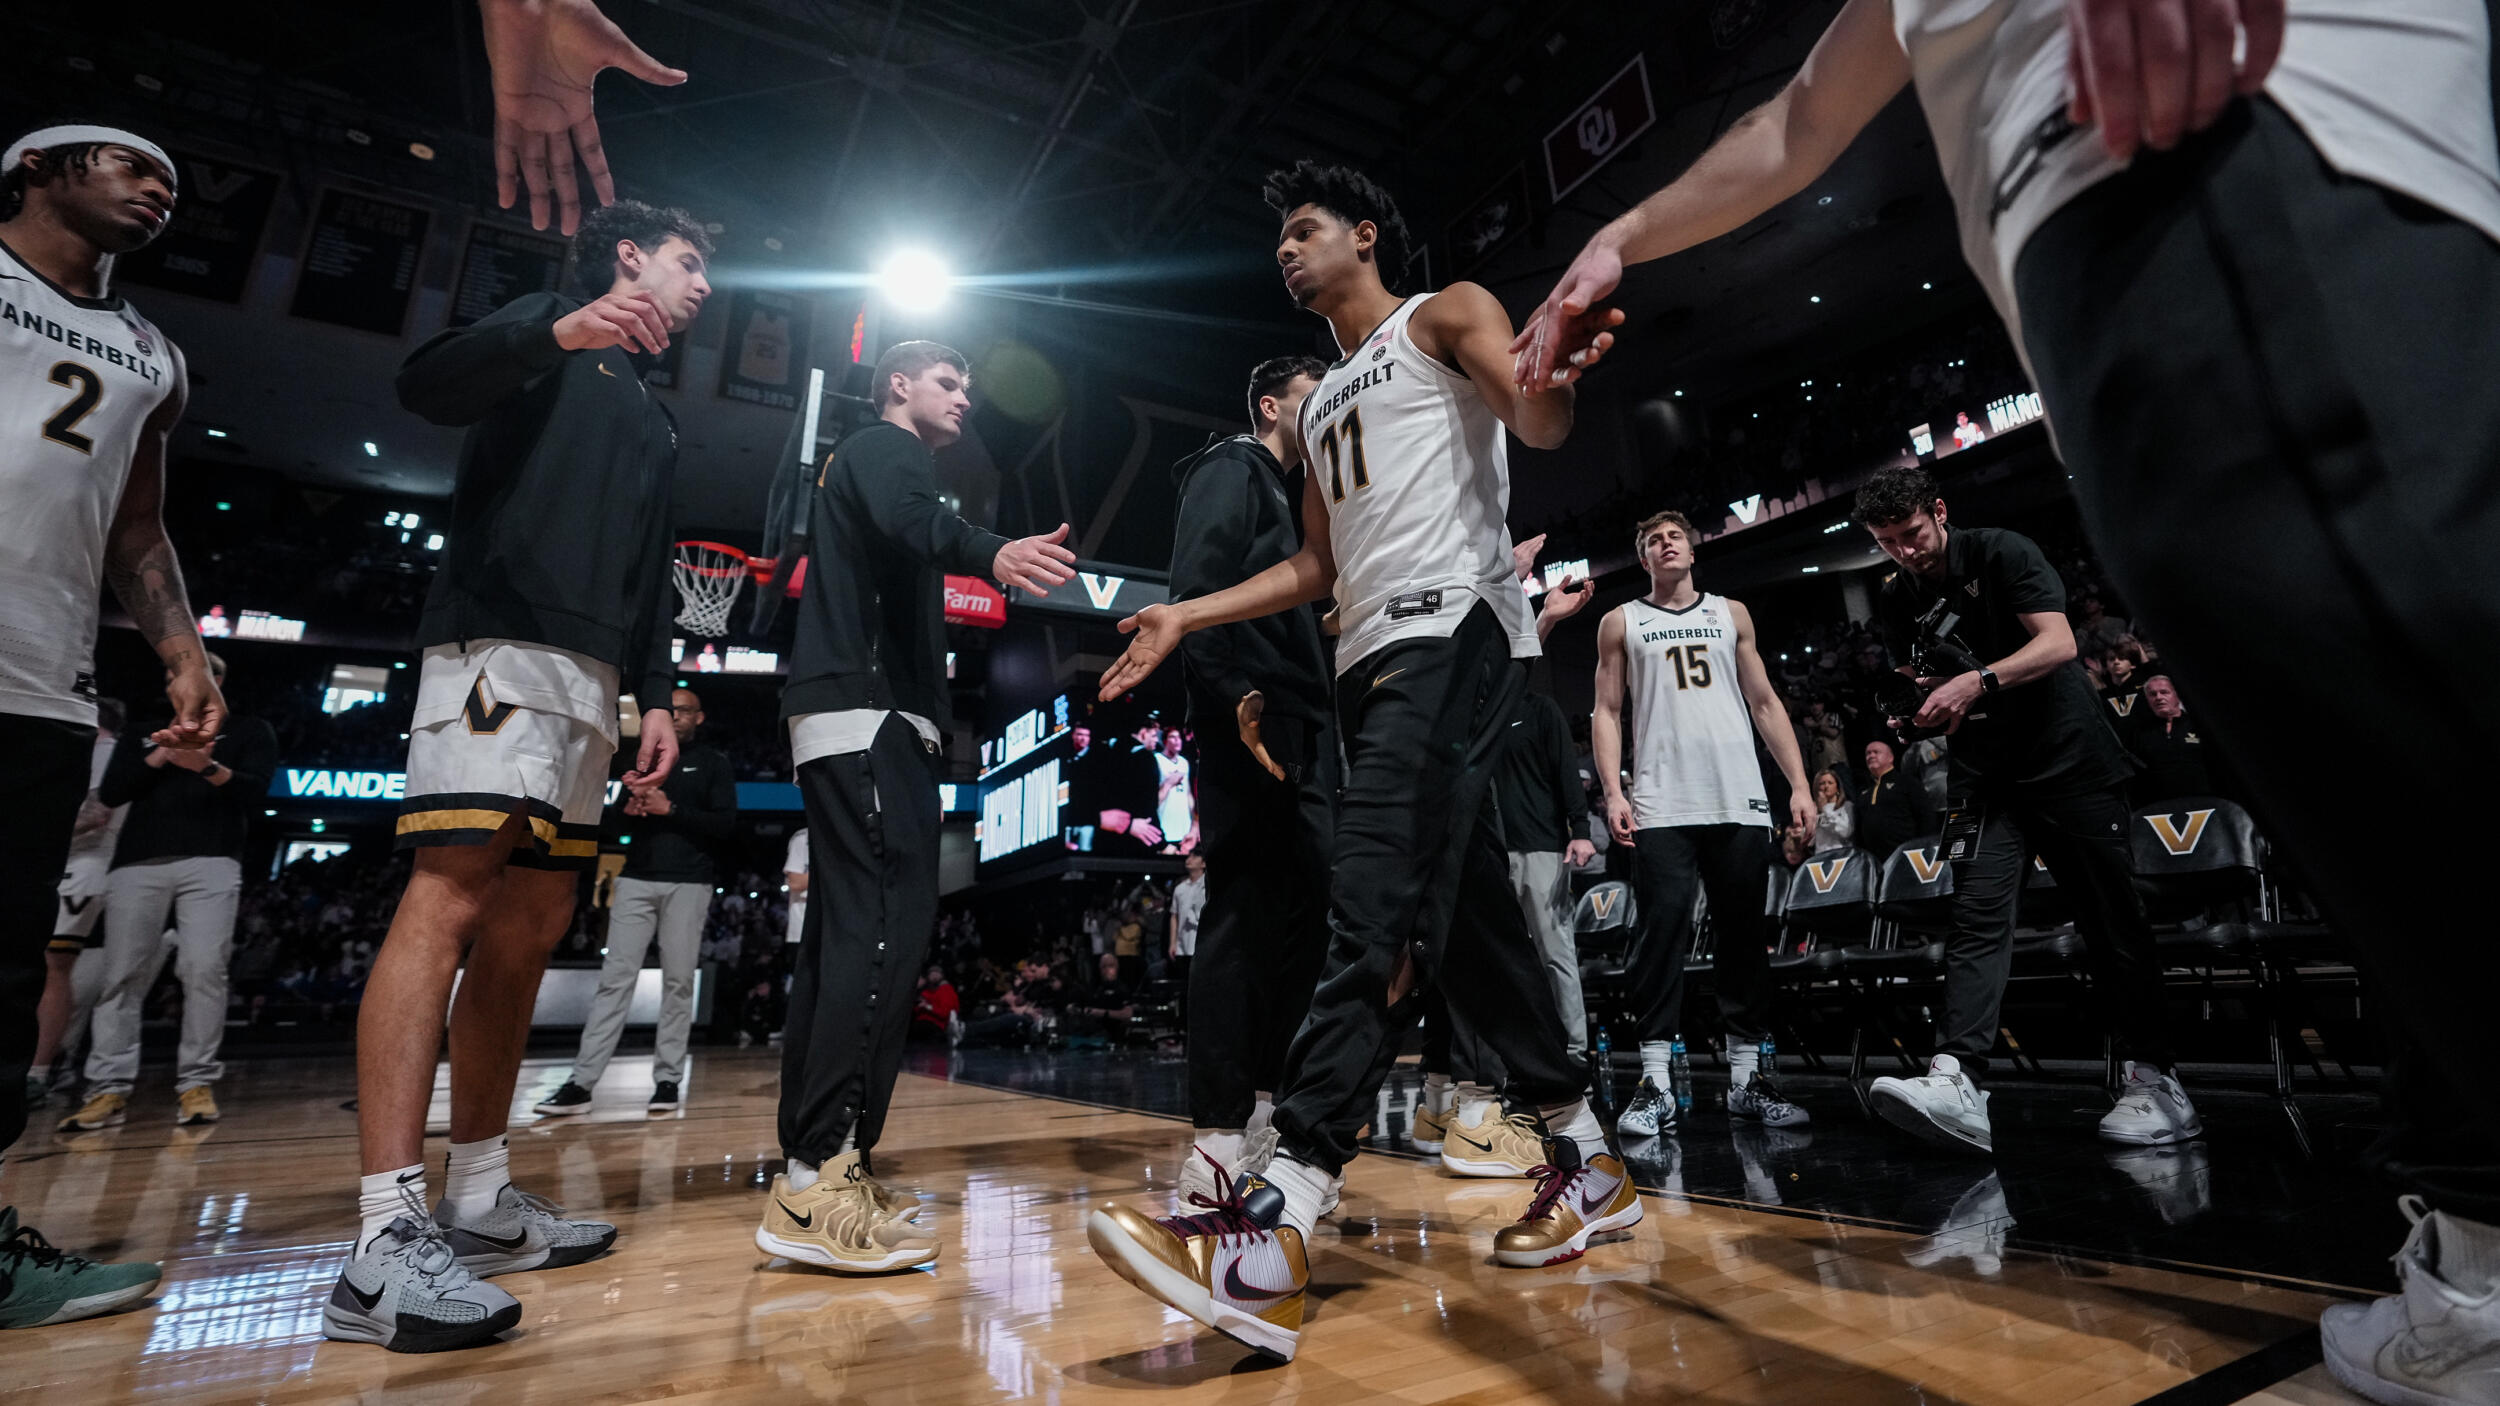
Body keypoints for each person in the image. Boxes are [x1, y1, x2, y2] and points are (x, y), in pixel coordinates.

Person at [1523, 2, 2500, 1381]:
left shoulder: (1998, 554)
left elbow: (2048, 643)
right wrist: (1621, 234)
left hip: (2236, 162)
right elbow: (1794, 121)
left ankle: (2469, 1263)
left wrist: (1874, 733)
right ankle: (2469, 1240)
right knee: (2365, 790)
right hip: (2119, 260)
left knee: (2396, 723)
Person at [1085, 160, 1637, 1364]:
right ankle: (1588, 1158)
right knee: (1466, 926)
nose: (1286, 250)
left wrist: (1550, 384)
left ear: (1365, 236)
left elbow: (1534, 419)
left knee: (1370, 908)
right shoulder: (1325, 398)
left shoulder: (1444, 313)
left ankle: (1280, 1211)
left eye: (1305, 229)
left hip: (1457, 633)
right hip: (1368, 661)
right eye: (1278, 238)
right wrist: (1188, 613)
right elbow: (1317, 569)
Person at [336, 199, 713, 1352]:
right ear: (629, 255)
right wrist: (556, 331)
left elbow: (649, 570)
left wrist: (655, 692)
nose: (704, 286)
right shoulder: (547, 324)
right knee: (448, 897)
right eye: (690, 262)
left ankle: (479, 1196)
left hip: (595, 679)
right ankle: (381, 1237)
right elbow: (425, 382)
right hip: (497, 647)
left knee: (531, 926)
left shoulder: (652, 413)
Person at [760, 338, 1075, 1276]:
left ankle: (816, 1166)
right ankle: (820, 1178)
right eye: (948, 381)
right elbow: (914, 520)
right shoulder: (885, 447)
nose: (964, 398)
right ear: (897, 386)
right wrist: (992, 550)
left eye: (968, 386)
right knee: (880, 939)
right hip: (871, 715)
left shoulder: (869, 461)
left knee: (845, 941)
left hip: (853, 715)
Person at [0, 124, 218, 1328]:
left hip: (42, 681)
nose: (157, 188)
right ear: (36, 167)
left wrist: (183, 651)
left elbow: (138, 528)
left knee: (3, 971)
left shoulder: (152, 355)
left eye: (170, 181)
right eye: (130, 164)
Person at [1852, 470, 2194, 1155]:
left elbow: (2058, 643)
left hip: (2068, 760)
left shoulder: (2001, 550)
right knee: (1974, 917)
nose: (1905, 552)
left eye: (1912, 534)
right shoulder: (1894, 596)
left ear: (1939, 512)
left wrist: (1976, 681)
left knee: (2110, 919)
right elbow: (1927, 681)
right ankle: (1957, 1079)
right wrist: (1919, 705)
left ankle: (2156, 1079)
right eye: (1887, 543)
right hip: (1985, 774)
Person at [1163, 355, 1338, 1204]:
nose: (1329, 406)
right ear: (1270, 405)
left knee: (1304, 926)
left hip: (1303, 719)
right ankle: (1217, 1140)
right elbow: (1195, 598)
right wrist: (1237, 698)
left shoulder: (1297, 495)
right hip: (1253, 716)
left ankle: (1268, 1119)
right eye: (1313, 396)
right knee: (1240, 917)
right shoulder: (1230, 467)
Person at [1594, 510, 1818, 1141]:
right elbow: (1606, 710)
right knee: (1660, 936)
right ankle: (1655, 1084)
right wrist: (1613, 791)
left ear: (1692, 551)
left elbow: (1765, 702)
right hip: (1662, 801)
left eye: (1674, 537)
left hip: (1738, 796)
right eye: (1652, 541)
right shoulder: (1621, 621)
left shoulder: (1731, 613)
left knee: (1743, 939)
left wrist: (1799, 784)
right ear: (1644, 560)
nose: (1665, 544)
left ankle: (1748, 1081)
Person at [64, 652, 275, 1132]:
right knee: (121, 975)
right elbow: (112, 793)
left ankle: (196, 1083)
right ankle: (107, 1088)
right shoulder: (144, 731)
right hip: (137, 863)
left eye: (186, 674)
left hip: (214, 860)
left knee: (204, 970)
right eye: (169, 676)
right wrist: (162, 754)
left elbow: (255, 792)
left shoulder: (248, 729)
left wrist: (204, 765)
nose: (176, 683)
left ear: (216, 679)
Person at [536, 687, 736, 1117]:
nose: (676, 716)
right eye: (671, 710)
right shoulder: (639, 762)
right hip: (635, 878)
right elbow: (610, 824)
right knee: (614, 981)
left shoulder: (714, 763)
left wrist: (670, 809)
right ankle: (581, 1083)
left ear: (699, 717)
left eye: (684, 710)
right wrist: (626, 810)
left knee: (678, 983)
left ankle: (667, 1081)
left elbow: (725, 826)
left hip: (689, 883)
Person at [33, 698, 129, 1104]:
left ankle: (41, 1070)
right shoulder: (95, 751)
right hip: (68, 864)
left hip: (84, 866)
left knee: (54, 966)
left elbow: (96, 814)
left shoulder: (107, 752)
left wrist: (29, 834)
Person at [2126, 676, 2212, 803]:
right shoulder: (2139, 732)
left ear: (2177, 695)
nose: (2158, 697)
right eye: (2152, 694)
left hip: (2203, 801)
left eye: (2164, 692)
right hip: (2159, 805)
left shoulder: (2198, 725)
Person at [1854, 738, 1939, 860]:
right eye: (1868, 753)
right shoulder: (1863, 790)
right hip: (1875, 860)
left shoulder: (1906, 782)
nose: (1871, 756)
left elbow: (1926, 816)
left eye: (1876, 752)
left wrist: (1924, 848)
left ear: (1890, 757)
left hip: (1908, 856)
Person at [1153, 727, 1197, 854]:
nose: (1177, 740)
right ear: (1165, 741)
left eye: (1179, 737)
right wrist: (1168, 783)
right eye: (1172, 737)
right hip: (1164, 822)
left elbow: (1188, 793)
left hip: (1183, 826)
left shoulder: (1184, 762)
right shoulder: (1157, 760)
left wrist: (1193, 821)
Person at [1167, 853, 1204, 1002]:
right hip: (1183, 946)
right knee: (1184, 987)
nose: (1189, 860)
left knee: (1199, 986)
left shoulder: (1208, 886)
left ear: (1203, 864)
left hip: (1200, 944)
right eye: (1189, 857)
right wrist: (1173, 942)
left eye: (1195, 857)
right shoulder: (1180, 888)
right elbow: (1174, 916)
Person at [1809, 769, 1856, 854]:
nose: (1826, 786)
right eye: (1822, 783)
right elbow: (1809, 842)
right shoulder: (1813, 809)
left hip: (1842, 854)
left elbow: (1845, 832)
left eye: (1830, 783)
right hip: (1821, 856)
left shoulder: (1847, 806)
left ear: (1837, 788)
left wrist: (1825, 809)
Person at [909, 965, 958, 1044]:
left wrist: (927, 1006)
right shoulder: (926, 991)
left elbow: (945, 1013)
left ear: (942, 976)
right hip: (921, 1024)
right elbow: (916, 1010)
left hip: (935, 1026)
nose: (934, 976)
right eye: (932, 974)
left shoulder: (945, 989)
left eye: (937, 973)